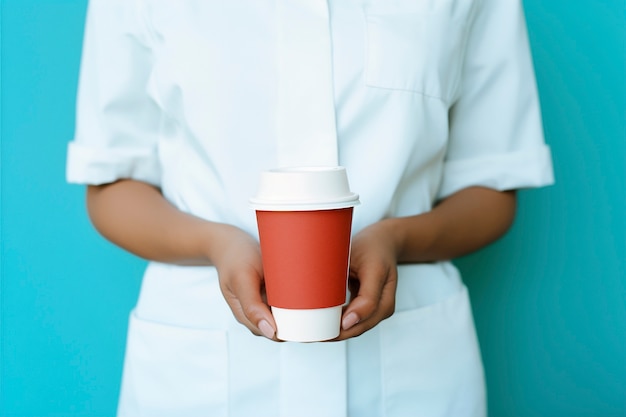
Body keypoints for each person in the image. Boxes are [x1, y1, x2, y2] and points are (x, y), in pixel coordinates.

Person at [66, 0, 554, 416]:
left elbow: (491, 186)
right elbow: (113, 182)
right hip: (202, 376)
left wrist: (394, 238)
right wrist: (218, 244)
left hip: (410, 376)